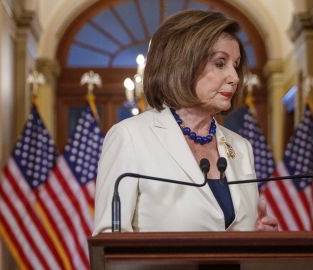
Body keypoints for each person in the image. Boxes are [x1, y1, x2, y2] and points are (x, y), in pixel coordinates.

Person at [93, 10, 278, 234]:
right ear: (183, 65)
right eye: (220, 63)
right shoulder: (129, 137)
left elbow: (235, 233)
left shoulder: (241, 147)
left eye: (235, 65)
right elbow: (110, 242)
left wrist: (256, 239)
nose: (235, 77)